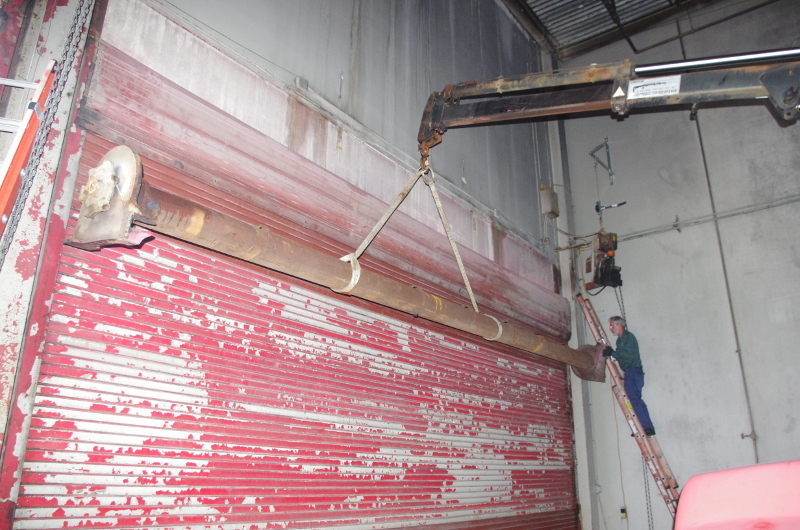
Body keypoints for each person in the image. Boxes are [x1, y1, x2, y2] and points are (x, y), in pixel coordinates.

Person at [603, 316, 656, 436]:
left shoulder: (628, 337)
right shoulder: (619, 340)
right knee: (634, 400)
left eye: (612, 325)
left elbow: (628, 355)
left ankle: (646, 427)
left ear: (619, 325)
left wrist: (613, 353)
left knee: (634, 400)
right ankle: (643, 426)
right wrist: (612, 354)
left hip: (633, 371)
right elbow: (620, 356)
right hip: (629, 372)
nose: (611, 328)